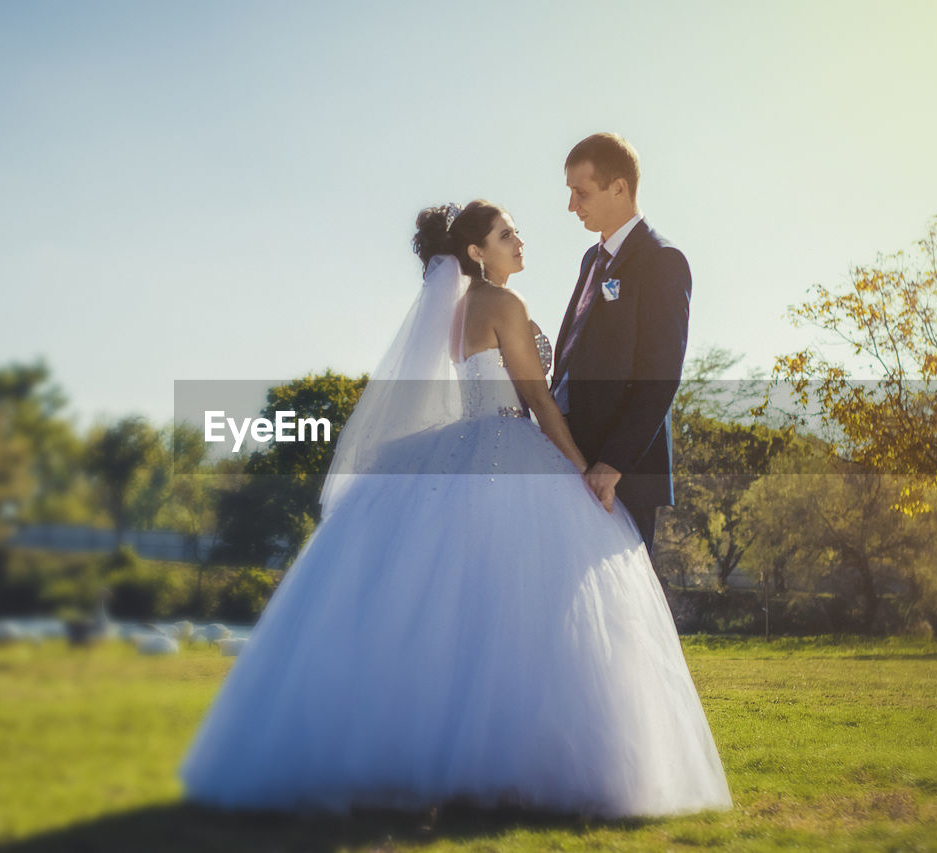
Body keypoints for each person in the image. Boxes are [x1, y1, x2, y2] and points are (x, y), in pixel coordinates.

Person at [177, 199, 731, 819]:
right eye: (506, 234)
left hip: (464, 441)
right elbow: (540, 405)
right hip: (513, 445)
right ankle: (518, 762)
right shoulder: (505, 305)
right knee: (524, 612)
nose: (519, 241)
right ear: (476, 252)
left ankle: (429, 759)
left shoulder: (457, 311)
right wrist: (581, 470)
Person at [551, 132, 690, 555]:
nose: (572, 206)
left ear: (619, 187)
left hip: (621, 475)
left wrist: (612, 464)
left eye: (581, 193)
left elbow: (661, 375)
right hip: (574, 460)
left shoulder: (662, 260)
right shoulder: (591, 260)